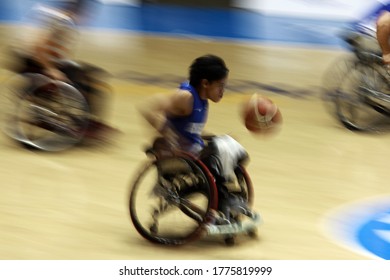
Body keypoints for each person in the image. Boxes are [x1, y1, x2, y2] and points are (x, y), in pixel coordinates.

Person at [138, 54, 249, 221]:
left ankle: (225, 198)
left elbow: (190, 131)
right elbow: (148, 108)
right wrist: (169, 137)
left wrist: (213, 136)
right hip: (179, 156)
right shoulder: (185, 97)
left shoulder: (203, 100)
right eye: (220, 86)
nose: (223, 91)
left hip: (193, 152)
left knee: (232, 146)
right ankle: (222, 202)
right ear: (205, 83)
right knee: (218, 153)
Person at [8, 0, 113, 139]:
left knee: (91, 73)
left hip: (29, 62)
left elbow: (56, 50)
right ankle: (86, 123)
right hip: (35, 64)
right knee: (86, 83)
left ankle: (86, 120)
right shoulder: (63, 21)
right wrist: (51, 69)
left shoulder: (58, 18)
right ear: (81, 11)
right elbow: (38, 47)